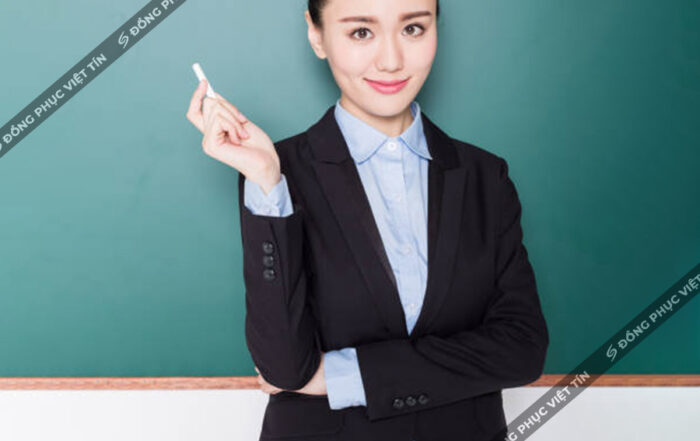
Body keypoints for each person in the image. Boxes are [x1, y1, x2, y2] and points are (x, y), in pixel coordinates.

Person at [186, 0, 549, 439]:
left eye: (413, 29)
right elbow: (284, 368)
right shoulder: (278, 175)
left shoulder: (485, 176)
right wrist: (266, 181)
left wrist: (343, 376)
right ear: (317, 35)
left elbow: (522, 350)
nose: (391, 60)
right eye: (361, 32)